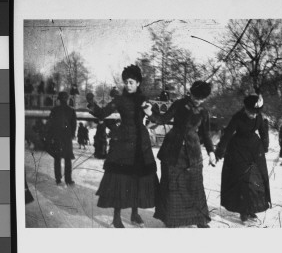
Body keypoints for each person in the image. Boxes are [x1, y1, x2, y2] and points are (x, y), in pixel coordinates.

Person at [86, 65, 158, 228]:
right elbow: (102, 113)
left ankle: (134, 214)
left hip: (141, 143)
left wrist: (149, 112)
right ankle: (116, 217)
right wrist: (92, 104)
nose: (128, 85)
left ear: (138, 83)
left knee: (138, 178)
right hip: (124, 144)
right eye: (126, 82)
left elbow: (155, 118)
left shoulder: (144, 99)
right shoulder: (119, 100)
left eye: (131, 82)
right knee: (120, 179)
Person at [143, 81, 216, 228]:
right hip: (173, 149)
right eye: (196, 96)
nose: (198, 100)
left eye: (201, 99)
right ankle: (172, 219)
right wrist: (150, 113)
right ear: (191, 93)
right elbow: (163, 119)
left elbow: (206, 134)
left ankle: (199, 219)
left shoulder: (204, 111)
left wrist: (211, 152)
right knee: (172, 185)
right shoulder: (179, 104)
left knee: (194, 186)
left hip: (192, 152)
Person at [215, 94, 271, 223]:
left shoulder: (259, 116)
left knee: (256, 181)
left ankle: (252, 208)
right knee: (243, 181)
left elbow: (263, 131)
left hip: (255, 151)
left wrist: (264, 146)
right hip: (238, 151)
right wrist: (219, 151)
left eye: (255, 112)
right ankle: (243, 211)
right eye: (250, 112)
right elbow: (227, 134)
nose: (253, 115)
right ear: (245, 108)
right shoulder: (237, 117)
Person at [45, 91, 77, 186]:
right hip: (66, 137)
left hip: (57, 136)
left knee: (57, 158)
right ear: (67, 99)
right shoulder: (71, 110)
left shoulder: (54, 110)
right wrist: (72, 135)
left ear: (59, 99)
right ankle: (68, 180)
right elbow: (74, 125)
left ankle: (58, 179)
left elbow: (50, 124)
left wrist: (50, 136)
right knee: (67, 159)